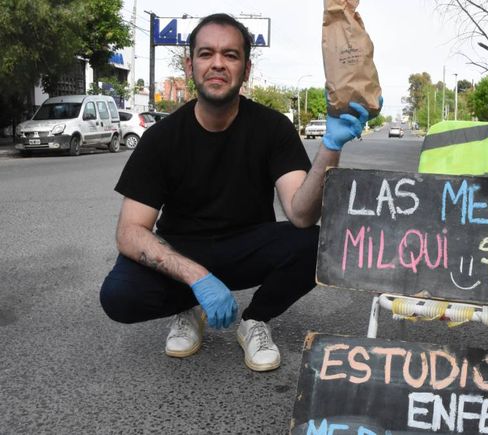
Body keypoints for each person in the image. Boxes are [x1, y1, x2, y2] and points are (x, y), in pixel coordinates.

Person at [99, 13, 379, 372]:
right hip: (183, 248)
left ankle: (254, 321)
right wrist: (197, 278)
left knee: (319, 244)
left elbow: (302, 215)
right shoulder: (161, 138)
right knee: (119, 296)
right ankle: (189, 307)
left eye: (230, 55)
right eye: (206, 54)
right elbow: (130, 232)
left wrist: (330, 148)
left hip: (248, 246)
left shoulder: (273, 128)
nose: (218, 63)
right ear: (190, 65)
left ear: (246, 69)